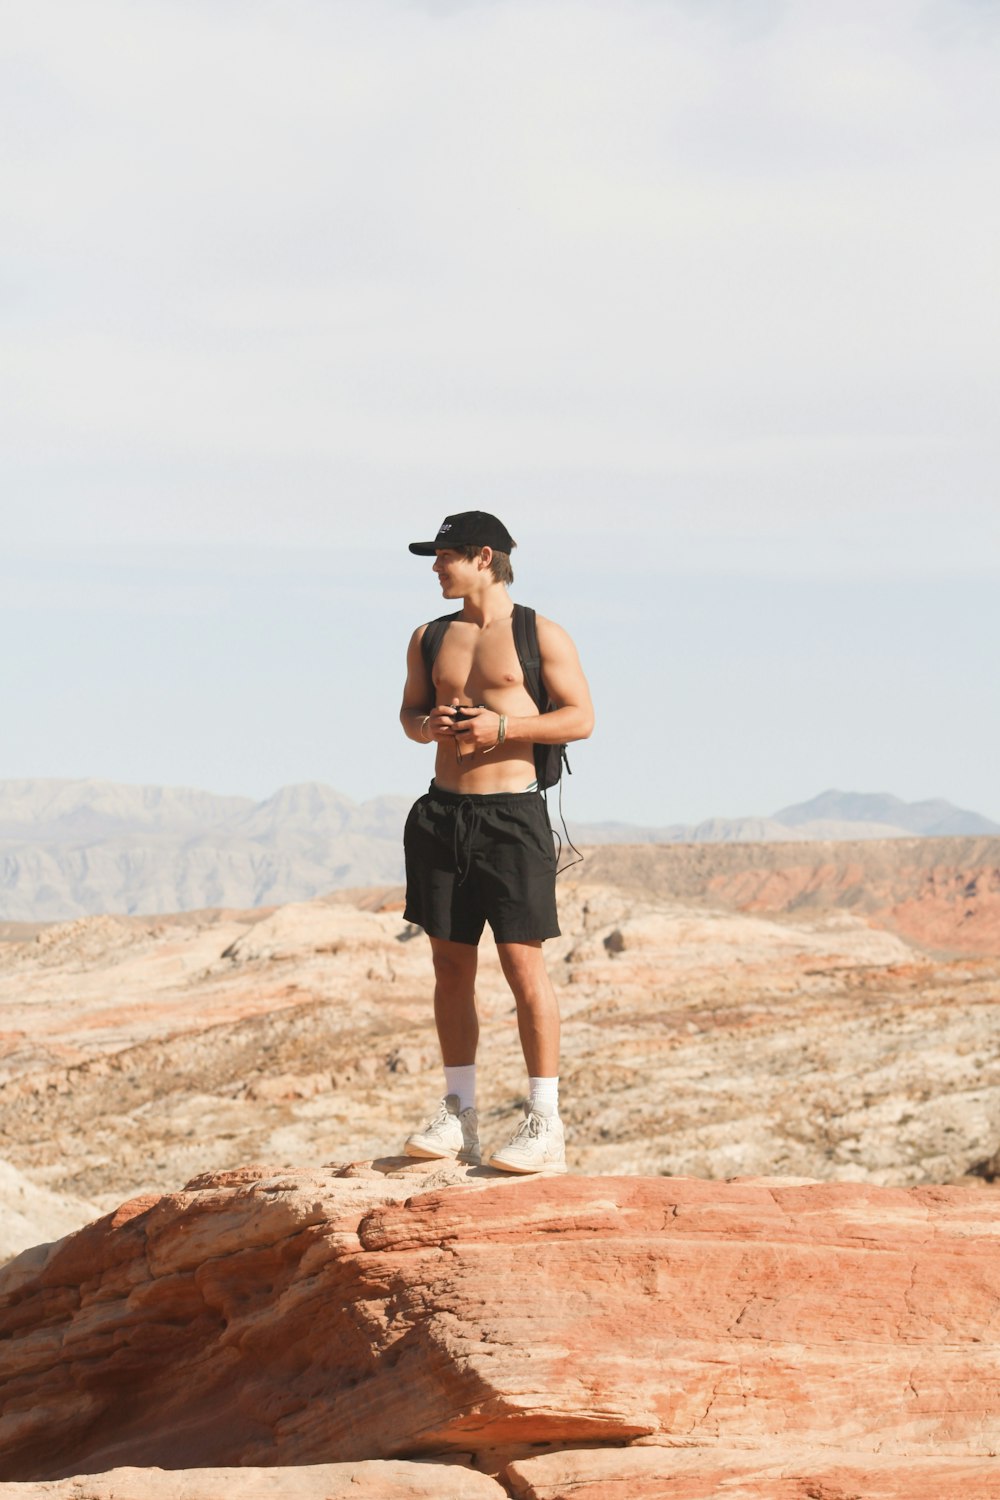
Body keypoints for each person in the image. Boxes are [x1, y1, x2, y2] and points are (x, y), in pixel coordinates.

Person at [399, 510, 594, 1174]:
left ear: (484, 557)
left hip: (512, 819)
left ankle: (545, 1121)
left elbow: (580, 717)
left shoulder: (541, 635)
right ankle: (460, 1114)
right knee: (450, 969)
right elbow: (408, 712)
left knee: (521, 966)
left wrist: (502, 726)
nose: (434, 567)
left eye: (444, 555)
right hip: (441, 818)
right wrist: (431, 726)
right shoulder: (429, 637)